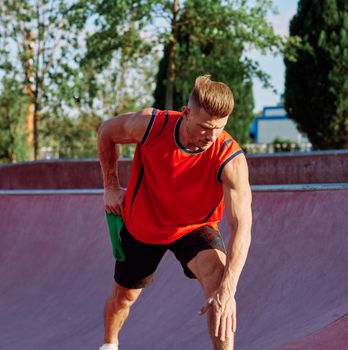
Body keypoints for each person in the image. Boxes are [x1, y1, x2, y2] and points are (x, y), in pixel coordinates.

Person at [97, 75, 252, 350]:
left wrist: (228, 293)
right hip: (144, 222)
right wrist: (111, 185)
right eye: (205, 127)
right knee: (124, 297)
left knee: (219, 282)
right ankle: (109, 344)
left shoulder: (230, 158)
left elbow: (243, 228)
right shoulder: (152, 125)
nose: (211, 136)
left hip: (194, 227)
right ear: (186, 113)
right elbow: (107, 132)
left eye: (219, 128)